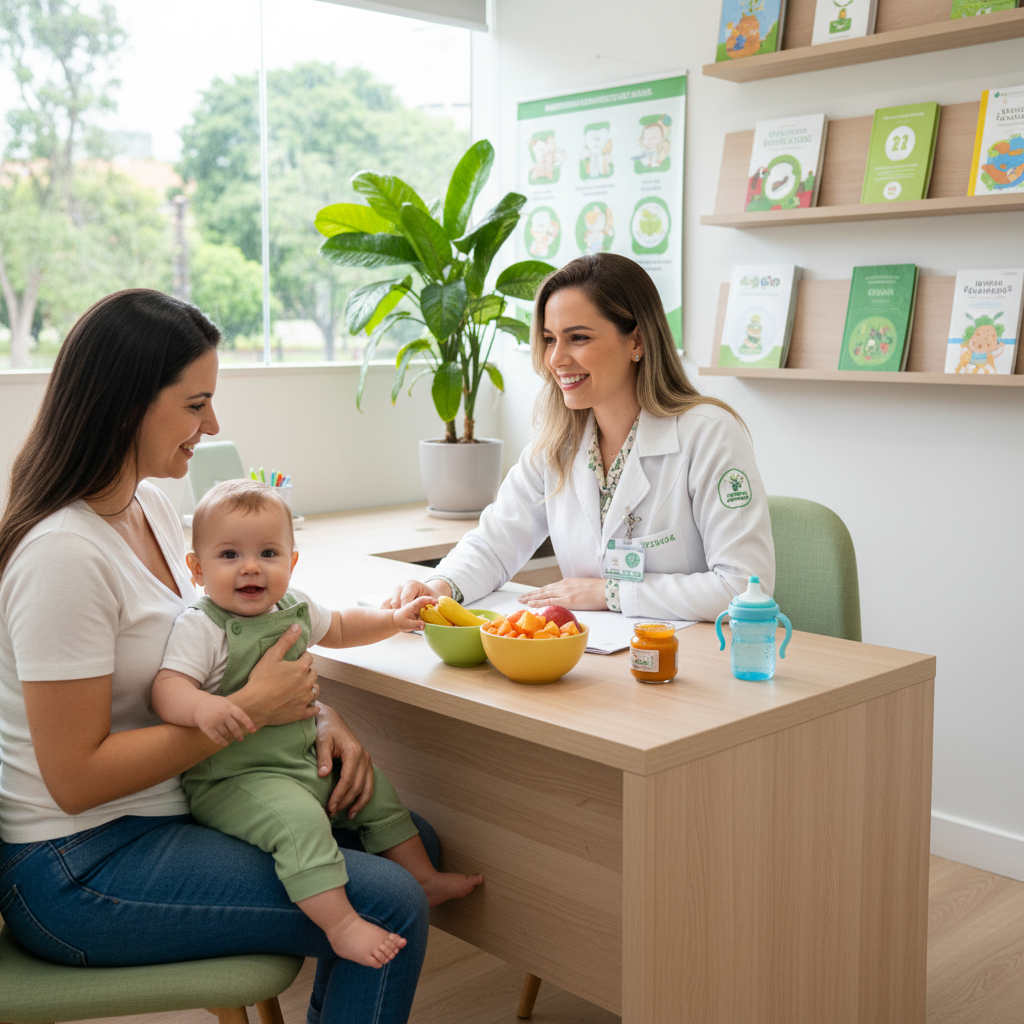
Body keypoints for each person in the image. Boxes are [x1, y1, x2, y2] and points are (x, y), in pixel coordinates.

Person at [0, 289, 435, 1024]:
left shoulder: (156, 512)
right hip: (77, 865)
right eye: (196, 404)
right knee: (388, 900)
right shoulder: (62, 555)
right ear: (127, 404)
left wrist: (319, 717)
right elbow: (74, 781)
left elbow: (216, 659)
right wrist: (257, 710)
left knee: (410, 841)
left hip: (167, 809)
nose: (215, 425)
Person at [153, 479, 483, 968]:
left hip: (298, 759)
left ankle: (422, 878)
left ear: (292, 561)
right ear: (198, 570)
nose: (250, 567)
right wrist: (203, 708)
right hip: (233, 778)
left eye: (268, 552)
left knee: (375, 791)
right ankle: (342, 925)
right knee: (301, 823)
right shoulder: (201, 627)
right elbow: (167, 686)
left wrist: (393, 621)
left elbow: (345, 626)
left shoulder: (296, 607)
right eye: (229, 555)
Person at [386, 253, 775, 621]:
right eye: (550, 339)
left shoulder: (708, 434)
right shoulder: (558, 441)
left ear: (636, 341)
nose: (556, 359)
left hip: (692, 662)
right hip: (592, 660)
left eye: (579, 338)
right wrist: (441, 586)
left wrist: (611, 593)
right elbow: (495, 542)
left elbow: (743, 587)